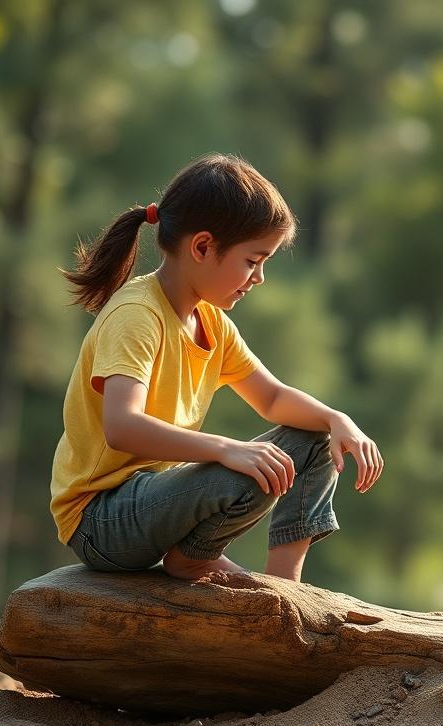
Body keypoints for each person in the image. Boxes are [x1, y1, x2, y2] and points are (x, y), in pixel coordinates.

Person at [50, 153, 383, 582]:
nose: (259, 278)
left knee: (314, 437)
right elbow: (122, 425)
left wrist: (337, 420)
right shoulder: (138, 314)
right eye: (252, 261)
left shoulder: (211, 322)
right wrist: (227, 449)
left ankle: (285, 587)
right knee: (253, 465)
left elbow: (272, 398)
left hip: (158, 503)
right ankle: (194, 558)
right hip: (102, 520)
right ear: (203, 247)